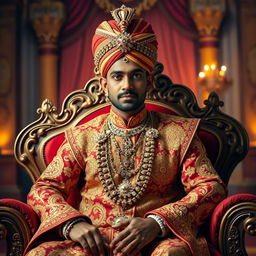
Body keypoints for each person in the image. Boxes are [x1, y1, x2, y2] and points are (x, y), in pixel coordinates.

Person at [25, 5, 226, 256]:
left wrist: (157, 223)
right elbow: (43, 189)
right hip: (93, 243)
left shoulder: (179, 133)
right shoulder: (82, 136)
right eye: (117, 77)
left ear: (149, 81)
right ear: (104, 83)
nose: (127, 85)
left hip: (156, 242)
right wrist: (73, 225)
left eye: (136, 76)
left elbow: (210, 186)